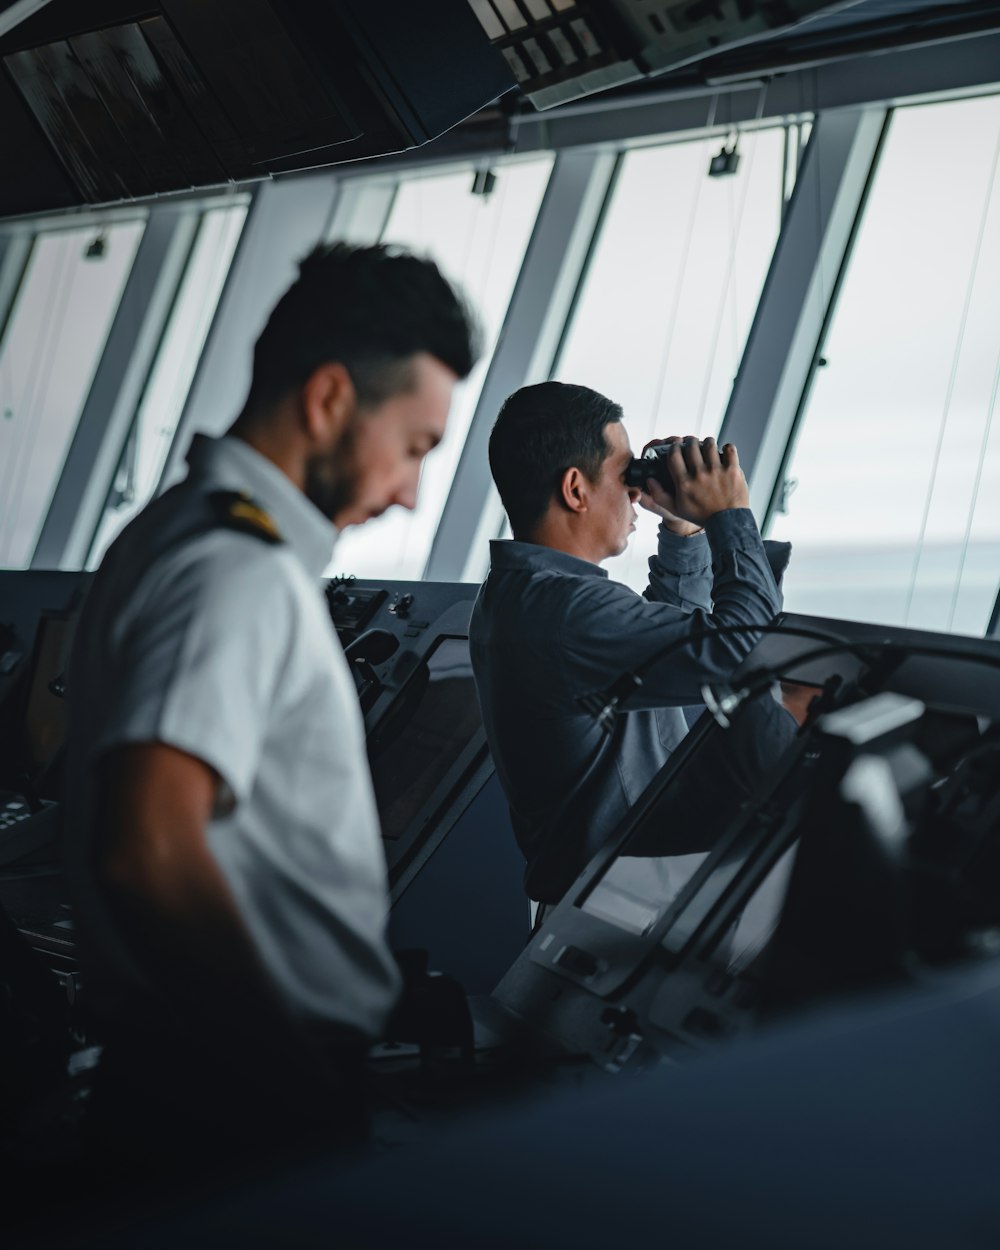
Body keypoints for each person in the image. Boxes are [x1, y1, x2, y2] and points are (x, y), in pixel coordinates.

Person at [63, 242, 479, 1167]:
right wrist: (283, 1067)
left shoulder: (181, 531)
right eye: (413, 448)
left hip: (194, 1065)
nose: (411, 493)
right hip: (223, 1088)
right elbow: (149, 846)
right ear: (330, 399)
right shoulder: (234, 571)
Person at [469, 381, 791, 908]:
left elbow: (671, 644)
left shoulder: (528, 596)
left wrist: (685, 530)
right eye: (626, 477)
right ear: (575, 489)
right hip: (615, 909)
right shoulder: (565, 610)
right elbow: (742, 650)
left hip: (602, 898)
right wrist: (730, 515)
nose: (638, 492)